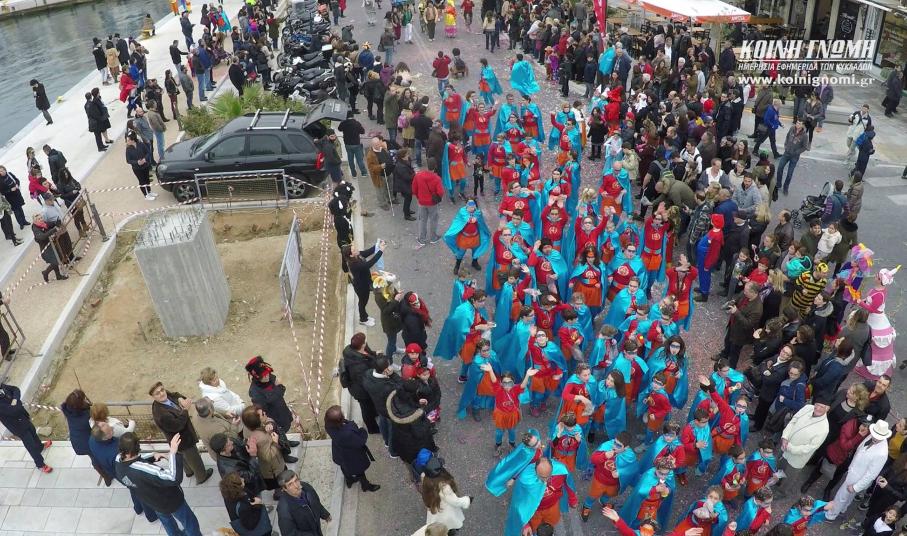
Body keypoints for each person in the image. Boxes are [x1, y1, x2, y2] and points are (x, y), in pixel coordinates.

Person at [116, 432, 203, 536]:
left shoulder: (118, 461)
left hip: (153, 502)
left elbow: (134, 462)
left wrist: (152, 456)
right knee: (190, 522)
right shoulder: (144, 470)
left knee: (168, 523)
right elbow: (173, 478)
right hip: (170, 501)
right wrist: (173, 453)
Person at [89, 422, 157, 523]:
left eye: (108, 425)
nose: (112, 427)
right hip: (124, 473)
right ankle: (151, 516)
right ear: (105, 437)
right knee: (141, 492)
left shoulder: (92, 439)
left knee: (133, 489)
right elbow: (132, 461)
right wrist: (153, 456)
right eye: (110, 430)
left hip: (114, 471)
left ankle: (138, 508)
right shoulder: (115, 453)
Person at [825, 420, 892, 522]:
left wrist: (856, 487)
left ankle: (830, 515)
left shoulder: (882, 453)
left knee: (841, 496)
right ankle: (842, 509)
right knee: (848, 496)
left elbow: (871, 474)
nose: (874, 437)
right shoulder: (872, 437)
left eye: (877, 436)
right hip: (854, 472)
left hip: (858, 478)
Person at [149, 381, 213, 485]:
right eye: (157, 393)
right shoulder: (161, 414)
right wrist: (186, 410)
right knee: (194, 458)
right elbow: (177, 425)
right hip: (183, 439)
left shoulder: (165, 396)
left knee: (183, 457)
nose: (162, 393)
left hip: (176, 441)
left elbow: (175, 394)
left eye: (162, 390)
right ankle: (202, 477)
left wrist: (180, 398)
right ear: (153, 397)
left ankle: (189, 472)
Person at [324, 405, 380, 492]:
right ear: (340, 420)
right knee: (359, 470)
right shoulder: (347, 433)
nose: (343, 413)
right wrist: (362, 430)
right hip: (352, 455)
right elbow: (360, 441)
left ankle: (349, 480)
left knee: (344, 466)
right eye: (341, 414)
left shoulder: (328, 426)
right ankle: (365, 485)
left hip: (339, 452)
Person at [61, 389, 112, 485]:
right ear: (80, 404)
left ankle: (106, 477)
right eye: (83, 399)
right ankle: (107, 476)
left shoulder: (67, 410)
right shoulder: (86, 416)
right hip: (87, 443)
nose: (85, 400)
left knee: (93, 457)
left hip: (77, 442)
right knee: (96, 459)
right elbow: (95, 417)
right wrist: (90, 405)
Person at [0, 383, 53, 473]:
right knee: (30, 444)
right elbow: (14, 411)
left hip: (23, 416)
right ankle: (40, 464)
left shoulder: (2, 386)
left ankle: (40, 447)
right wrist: (18, 402)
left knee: (32, 431)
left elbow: (15, 389)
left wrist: (15, 400)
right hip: (17, 425)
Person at [245, 357, 297, 445]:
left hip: (282, 409)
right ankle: (284, 446)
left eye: (267, 373)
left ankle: (286, 442)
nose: (267, 376)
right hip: (274, 417)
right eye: (264, 375)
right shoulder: (255, 393)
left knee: (285, 429)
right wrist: (278, 388)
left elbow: (281, 390)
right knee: (278, 434)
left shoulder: (270, 377)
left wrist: (278, 389)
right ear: (257, 377)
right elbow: (262, 410)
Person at [717, 281, 762, 368]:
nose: (743, 292)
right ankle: (724, 354)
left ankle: (731, 368)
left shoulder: (757, 309)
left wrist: (736, 312)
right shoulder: (745, 294)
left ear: (753, 292)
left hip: (741, 334)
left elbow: (748, 325)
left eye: (746, 291)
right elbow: (738, 300)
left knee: (735, 351)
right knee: (727, 341)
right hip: (733, 324)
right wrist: (732, 303)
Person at [422, 458, 472, 533]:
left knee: (440, 527)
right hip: (446, 513)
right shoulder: (444, 488)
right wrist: (467, 500)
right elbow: (455, 502)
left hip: (436, 510)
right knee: (449, 526)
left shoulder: (425, 479)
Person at [276, 469, 332, 535]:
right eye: (290, 484)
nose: (296, 486)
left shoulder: (305, 487)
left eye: (296, 480)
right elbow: (289, 534)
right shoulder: (284, 510)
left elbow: (316, 502)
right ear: (284, 489)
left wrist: (325, 514)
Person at [774, 120, 809, 197]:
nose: (797, 124)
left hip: (794, 157)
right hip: (786, 153)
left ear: (803, 125)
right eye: (797, 123)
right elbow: (787, 137)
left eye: (799, 123)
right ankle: (778, 184)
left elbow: (805, 147)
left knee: (789, 174)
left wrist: (796, 152)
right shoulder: (792, 128)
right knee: (780, 168)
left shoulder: (805, 135)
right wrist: (785, 145)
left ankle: (785, 187)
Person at [412, 165, 444, 247]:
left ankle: (422, 239)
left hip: (422, 202)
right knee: (433, 220)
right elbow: (440, 192)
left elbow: (414, 189)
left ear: (427, 166)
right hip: (432, 203)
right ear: (434, 167)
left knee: (422, 220)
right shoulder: (437, 178)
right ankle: (433, 238)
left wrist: (419, 197)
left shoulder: (418, 176)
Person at [125, 132, 157, 200]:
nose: (127, 142)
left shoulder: (141, 144)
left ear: (133, 140)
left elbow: (148, 152)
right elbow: (128, 160)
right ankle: (146, 195)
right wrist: (137, 162)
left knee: (147, 179)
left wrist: (145, 159)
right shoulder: (128, 149)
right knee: (142, 181)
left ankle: (149, 191)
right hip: (137, 168)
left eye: (128, 140)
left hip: (145, 165)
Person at [338, 111, 367, 178]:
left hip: (347, 144)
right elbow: (363, 131)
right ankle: (364, 173)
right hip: (356, 144)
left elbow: (339, 129)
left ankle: (354, 174)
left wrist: (343, 122)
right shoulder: (356, 123)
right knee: (359, 160)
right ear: (353, 116)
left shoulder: (344, 123)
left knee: (350, 160)